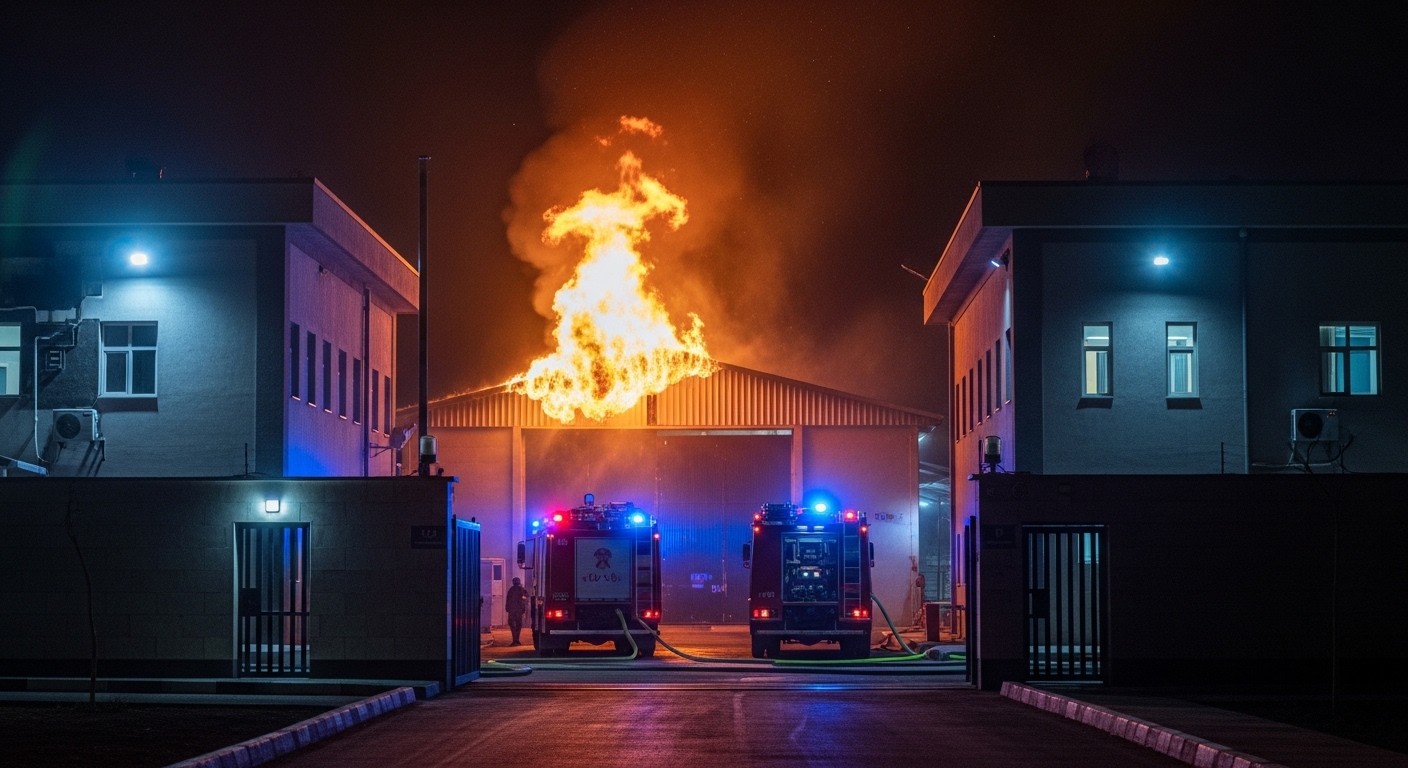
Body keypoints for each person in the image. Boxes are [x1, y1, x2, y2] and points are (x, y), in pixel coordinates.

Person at [505, 577, 527, 646]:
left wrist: (507, 608)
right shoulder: (522, 590)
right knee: (518, 625)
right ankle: (517, 640)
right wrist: (523, 608)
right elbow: (525, 598)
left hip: (512, 611)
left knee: (512, 625)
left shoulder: (511, 590)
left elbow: (507, 600)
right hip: (519, 611)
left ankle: (515, 640)